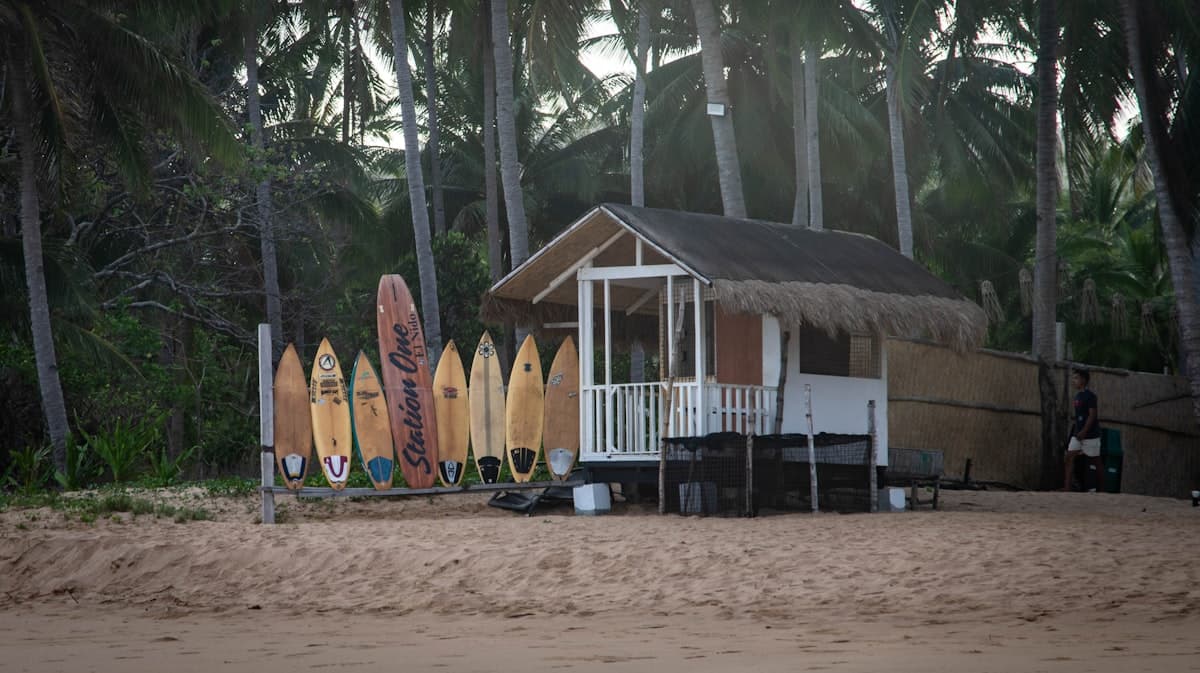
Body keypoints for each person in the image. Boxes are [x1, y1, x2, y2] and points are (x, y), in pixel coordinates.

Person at [1063, 369, 1102, 491]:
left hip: (1090, 435)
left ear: (1083, 380)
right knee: (1069, 457)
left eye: (1076, 378)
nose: (1073, 381)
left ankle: (1103, 490)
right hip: (1078, 434)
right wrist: (1076, 432)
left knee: (1095, 461)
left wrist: (1084, 431)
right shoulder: (1077, 396)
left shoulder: (1091, 396)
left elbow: (1092, 415)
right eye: (1073, 378)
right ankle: (1067, 488)